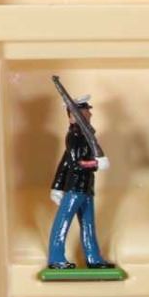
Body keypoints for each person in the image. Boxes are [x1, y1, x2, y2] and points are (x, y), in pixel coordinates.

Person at [46, 92, 113, 271]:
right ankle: (56, 258)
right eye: (85, 112)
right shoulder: (75, 136)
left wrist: (56, 186)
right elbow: (76, 163)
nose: (90, 114)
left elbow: (65, 161)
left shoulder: (85, 135)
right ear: (74, 116)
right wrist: (96, 163)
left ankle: (93, 258)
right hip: (75, 187)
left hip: (86, 187)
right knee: (63, 221)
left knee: (88, 225)